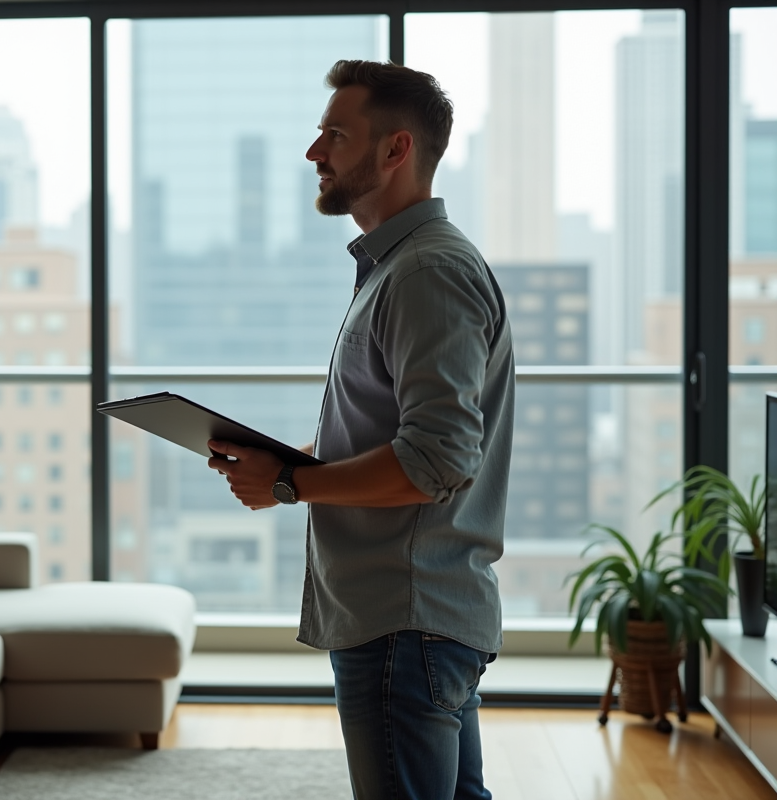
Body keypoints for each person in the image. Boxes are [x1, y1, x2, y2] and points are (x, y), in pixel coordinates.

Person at [206, 59, 515, 800]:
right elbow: (401, 430)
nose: (315, 153)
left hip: (402, 622)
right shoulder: (400, 267)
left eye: (335, 136)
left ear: (395, 150)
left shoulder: (423, 274)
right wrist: (287, 458)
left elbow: (436, 459)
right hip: (413, 617)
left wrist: (290, 481)